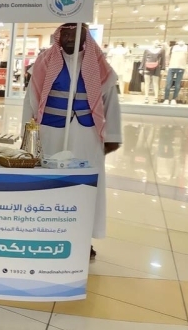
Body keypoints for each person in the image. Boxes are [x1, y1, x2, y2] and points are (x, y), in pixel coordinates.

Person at [23, 23, 122, 258]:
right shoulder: (44, 62)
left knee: (84, 187)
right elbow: (30, 100)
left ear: (84, 35)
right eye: (65, 33)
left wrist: (112, 136)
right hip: (50, 133)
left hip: (87, 136)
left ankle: (82, 237)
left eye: (74, 33)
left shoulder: (99, 65)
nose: (69, 38)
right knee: (49, 183)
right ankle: (46, 232)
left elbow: (111, 102)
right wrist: (27, 135)